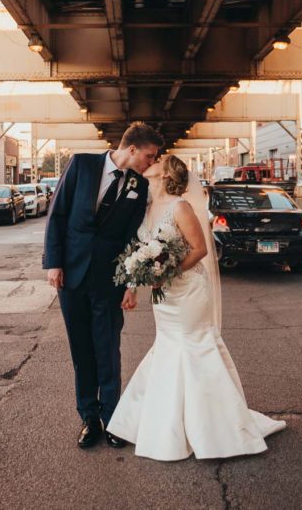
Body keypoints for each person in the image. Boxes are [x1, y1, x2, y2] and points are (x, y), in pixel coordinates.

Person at [107, 155, 286, 460]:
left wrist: (166, 273)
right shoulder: (146, 208)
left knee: (193, 347)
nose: (152, 161)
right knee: (167, 347)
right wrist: (137, 282)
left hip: (188, 291)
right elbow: (141, 250)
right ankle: (166, 422)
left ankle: (216, 427)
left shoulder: (181, 207)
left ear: (165, 174)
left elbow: (200, 249)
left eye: (158, 160)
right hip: (163, 296)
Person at [43, 122, 164, 449]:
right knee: (81, 350)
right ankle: (88, 417)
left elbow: (132, 237)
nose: (151, 164)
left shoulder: (139, 186)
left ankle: (114, 420)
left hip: (109, 281)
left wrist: (130, 283)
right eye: (150, 157)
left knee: (107, 350)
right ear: (133, 148)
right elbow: (57, 214)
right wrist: (53, 262)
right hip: (70, 276)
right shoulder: (82, 164)